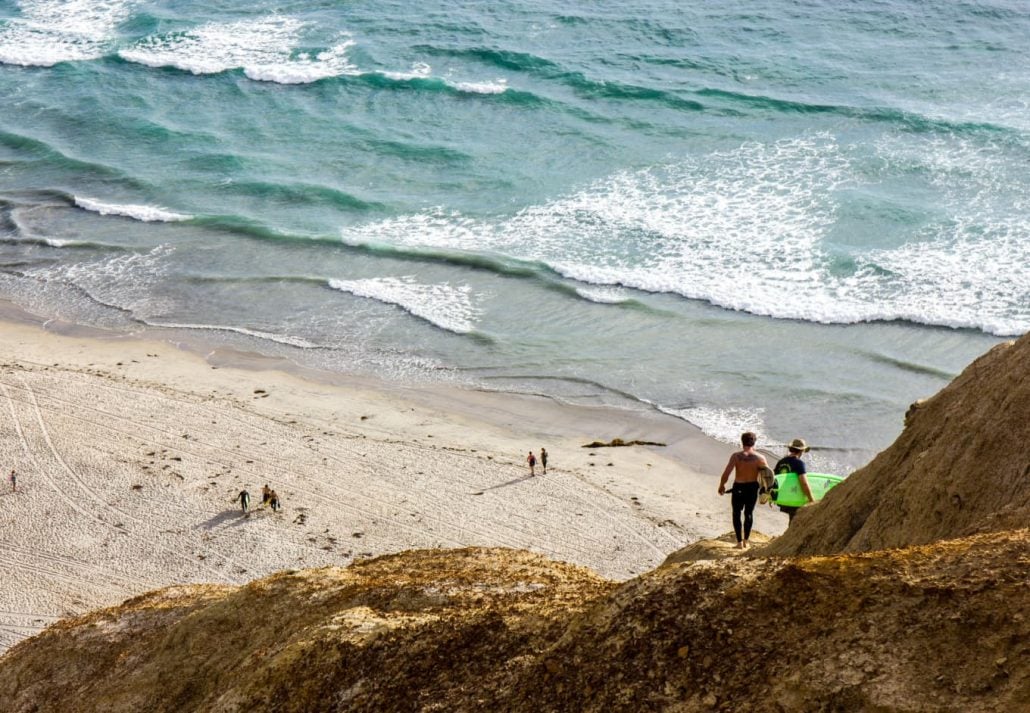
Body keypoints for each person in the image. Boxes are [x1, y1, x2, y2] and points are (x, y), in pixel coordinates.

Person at [718, 432, 768, 549]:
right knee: (748, 513)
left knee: (736, 514)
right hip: (752, 488)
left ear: (742, 442)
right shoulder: (760, 458)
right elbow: (768, 477)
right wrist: (766, 492)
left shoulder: (736, 456)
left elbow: (726, 473)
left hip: (738, 488)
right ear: (754, 442)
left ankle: (739, 542)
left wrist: (722, 485)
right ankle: (746, 541)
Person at [775, 438, 814, 524]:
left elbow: (775, 479)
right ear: (802, 451)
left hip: (783, 496)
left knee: (792, 519)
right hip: (794, 496)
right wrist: (811, 500)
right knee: (796, 521)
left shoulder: (781, 462)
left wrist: (773, 497)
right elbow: (804, 483)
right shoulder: (799, 463)